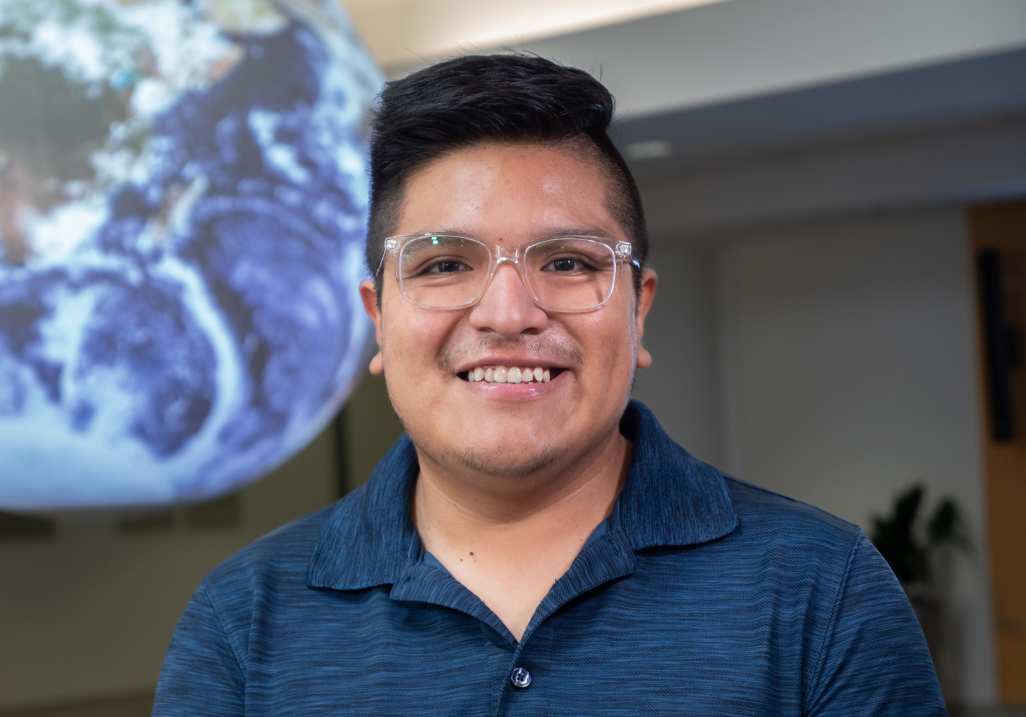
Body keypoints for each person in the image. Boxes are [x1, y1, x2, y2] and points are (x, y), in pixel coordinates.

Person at [152, 54, 946, 715]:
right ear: (376, 319)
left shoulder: (822, 589)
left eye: (567, 262)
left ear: (638, 310)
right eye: (443, 264)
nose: (507, 312)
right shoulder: (242, 619)